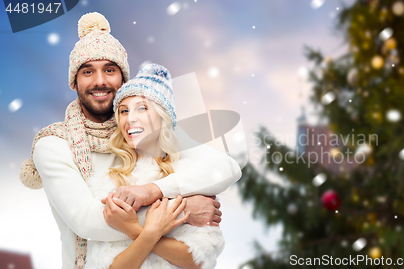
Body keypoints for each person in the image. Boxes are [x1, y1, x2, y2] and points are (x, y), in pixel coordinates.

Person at [19, 12, 241, 268]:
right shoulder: (54, 144)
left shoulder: (146, 131)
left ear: (123, 79)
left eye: (110, 70)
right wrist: (184, 209)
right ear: (74, 82)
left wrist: (153, 191)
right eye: (88, 71)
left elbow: (225, 167)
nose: (100, 81)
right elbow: (87, 220)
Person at [85, 63, 225, 269]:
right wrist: (153, 229)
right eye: (123, 111)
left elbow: (197, 259)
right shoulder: (109, 180)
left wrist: (133, 229)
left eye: (142, 108)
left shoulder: (190, 176)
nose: (130, 118)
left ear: (163, 117)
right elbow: (107, 265)